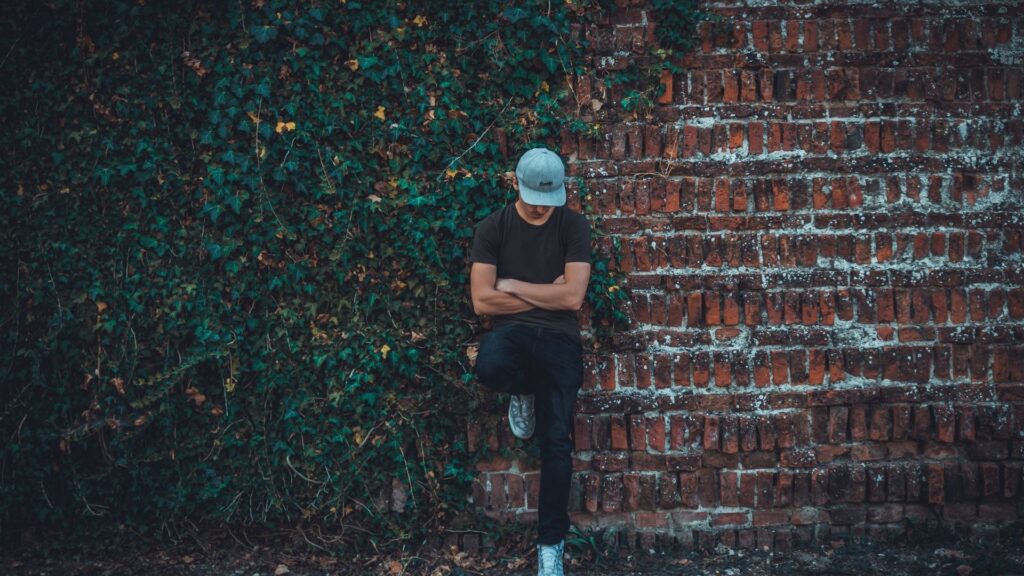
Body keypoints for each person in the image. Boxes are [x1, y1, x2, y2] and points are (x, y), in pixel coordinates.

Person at [468, 147, 592, 576]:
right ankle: (523, 390)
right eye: (534, 197)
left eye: (549, 198)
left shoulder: (573, 226)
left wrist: (514, 283)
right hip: (510, 335)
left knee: (557, 442)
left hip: (559, 338)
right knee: (489, 365)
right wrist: (547, 287)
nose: (541, 208)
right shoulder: (494, 228)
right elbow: (482, 300)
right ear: (514, 184)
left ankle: (551, 547)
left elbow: (573, 297)